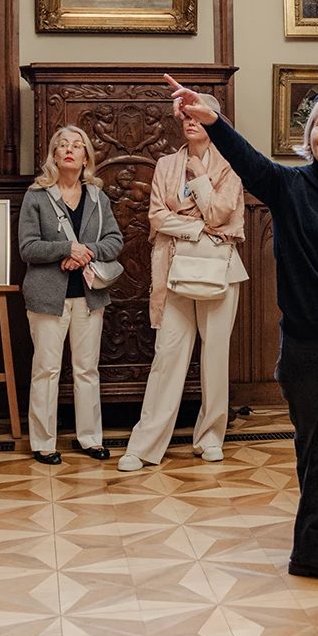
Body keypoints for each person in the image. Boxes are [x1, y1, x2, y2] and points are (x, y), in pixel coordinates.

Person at [164, 74, 318, 588]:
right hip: (306, 342)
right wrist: (211, 118)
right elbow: (245, 157)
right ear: (309, 136)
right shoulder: (287, 187)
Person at [120, 99, 247, 472]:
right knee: (168, 355)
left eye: (199, 116)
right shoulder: (165, 165)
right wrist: (198, 227)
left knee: (215, 357)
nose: (191, 122)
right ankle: (144, 446)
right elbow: (157, 218)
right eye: (186, 116)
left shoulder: (230, 163)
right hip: (174, 268)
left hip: (220, 270)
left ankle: (210, 438)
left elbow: (222, 214)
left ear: (214, 121)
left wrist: (200, 177)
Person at [19, 127, 124, 466]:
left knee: (86, 369)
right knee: (46, 369)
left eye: (77, 146)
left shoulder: (97, 197)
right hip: (47, 297)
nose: (69, 150)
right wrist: (67, 249)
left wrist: (84, 252)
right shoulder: (37, 196)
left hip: (89, 296)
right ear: (53, 155)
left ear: (85, 158)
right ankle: (43, 443)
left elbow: (114, 241)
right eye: (62, 145)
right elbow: (28, 247)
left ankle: (90, 438)